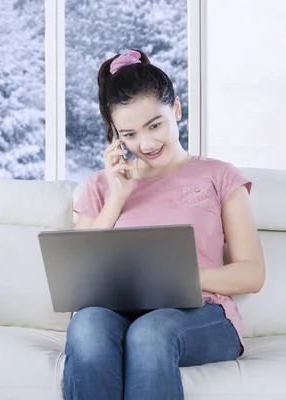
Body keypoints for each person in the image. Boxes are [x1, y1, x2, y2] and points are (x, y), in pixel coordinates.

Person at [63, 49, 266, 400]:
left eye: (155, 125)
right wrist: (117, 197)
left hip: (200, 315)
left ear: (175, 109)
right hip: (118, 313)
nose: (147, 144)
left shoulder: (219, 176)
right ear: (115, 136)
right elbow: (80, 283)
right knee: (87, 325)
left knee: (151, 332)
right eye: (129, 134)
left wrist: (175, 277)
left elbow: (252, 274)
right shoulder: (101, 186)